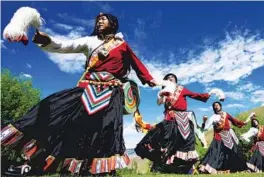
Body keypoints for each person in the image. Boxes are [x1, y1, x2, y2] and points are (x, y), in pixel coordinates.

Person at [1, 13, 156, 176]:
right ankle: (34, 164)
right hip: (87, 90)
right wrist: (48, 41)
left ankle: (97, 171)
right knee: (60, 117)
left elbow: (136, 63)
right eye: (97, 20)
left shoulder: (122, 45)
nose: (100, 21)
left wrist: (149, 79)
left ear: (113, 23)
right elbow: (66, 45)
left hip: (112, 93)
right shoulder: (89, 42)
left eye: (104, 19)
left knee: (105, 130)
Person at [135, 73, 214, 174]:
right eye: (168, 78)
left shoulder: (181, 89)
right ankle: (159, 164)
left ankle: (187, 168)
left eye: (172, 78)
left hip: (184, 119)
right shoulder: (164, 92)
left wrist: (207, 95)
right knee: (159, 140)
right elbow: (159, 103)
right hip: (169, 120)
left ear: (176, 81)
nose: (170, 79)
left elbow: (194, 95)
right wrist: (161, 94)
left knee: (185, 144)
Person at [198, 102, 250, 174]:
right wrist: (204, 122)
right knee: (215, 151)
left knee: (234, 151)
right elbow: (206, 128)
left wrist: (243, 122)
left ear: (220, 106)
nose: (216, 106)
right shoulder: (213, 117)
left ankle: (237, 168)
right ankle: (210, 168)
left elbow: (235, 121)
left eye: (217, 105)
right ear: (213, 108)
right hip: (218, 136)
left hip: (228, 135)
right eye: (214, 106)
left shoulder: (225, 114)